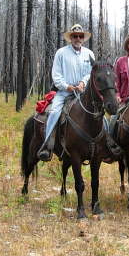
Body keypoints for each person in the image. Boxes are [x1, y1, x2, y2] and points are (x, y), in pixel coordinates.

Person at [37, 24, 94, 161]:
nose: (78, 38)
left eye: (80, 36)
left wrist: (82, 83)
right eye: (75, 36)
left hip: (83, 93)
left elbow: (91, 73)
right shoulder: (61, 53)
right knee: (54, 111)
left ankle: (106, 143)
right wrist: (67, 86)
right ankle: (47, 144)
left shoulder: (89, 54)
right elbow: (56, 75)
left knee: (98, 113)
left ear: (83, 38)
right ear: (70, 38)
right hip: (63, 92)